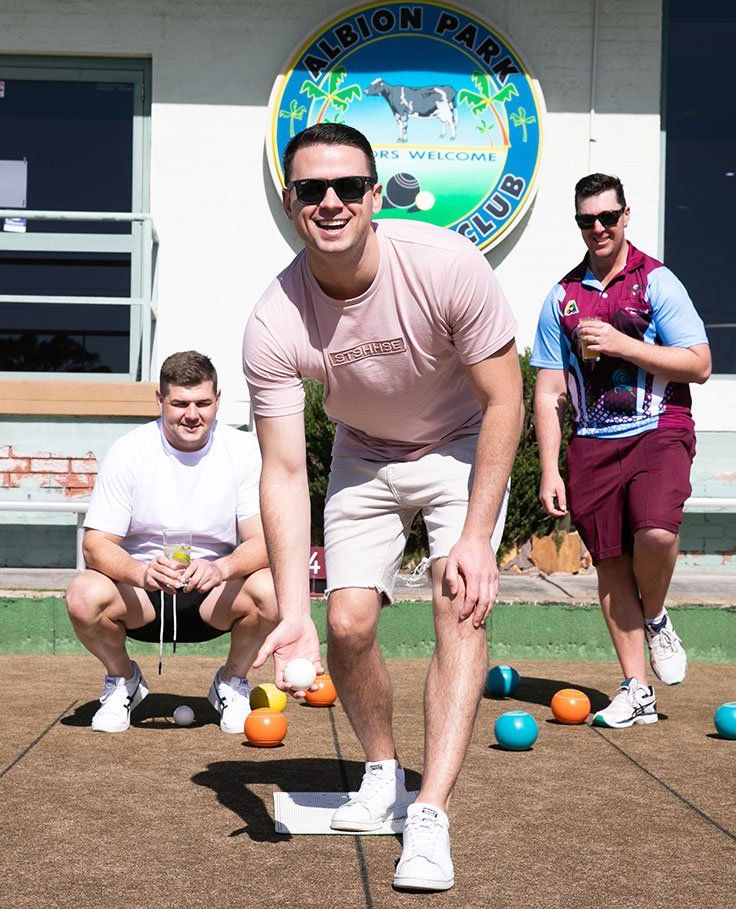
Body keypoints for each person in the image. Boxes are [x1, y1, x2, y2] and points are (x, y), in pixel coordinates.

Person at [242, 124, 522, 892]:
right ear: (290, 201)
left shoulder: (446, 264)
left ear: (373, 195)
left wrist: (473, 537)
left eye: (346, 187)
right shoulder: (275, 320)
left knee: (459, 602)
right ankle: (381, 770)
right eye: (310, 189)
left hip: (461, 441)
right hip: (365, 453)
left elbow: (505, 401)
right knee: (345, 624)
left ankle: (428, 813)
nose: (329, 201)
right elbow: (284, 469)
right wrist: (294, 606)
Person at [531, 173, 711, 728]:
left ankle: (655, 615)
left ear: (626, 215)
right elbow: (547, 390)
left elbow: (700, 364)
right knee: (610, 563)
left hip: (659, 429)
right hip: (591, 445)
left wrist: (622, 343)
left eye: (608, 217)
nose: (599, 228)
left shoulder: (656, 281)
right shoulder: (562, 297)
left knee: (656, 532)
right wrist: (548, 469)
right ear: (579, 224)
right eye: (588, 220)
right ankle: (636, 691)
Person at [66, 351, 278, 734]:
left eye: (203, 403)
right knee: (83, 594)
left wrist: (221, 567)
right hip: (142, 596)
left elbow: (265, 541)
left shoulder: (245, 450)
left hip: (214, 594)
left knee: (274, 589)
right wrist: (141, 572)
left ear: (218, 400)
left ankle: (231, 683)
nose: (192, 414)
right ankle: (122, 680)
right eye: (179, 403)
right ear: (160, 400)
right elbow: (95, 545)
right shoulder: (129, 451)